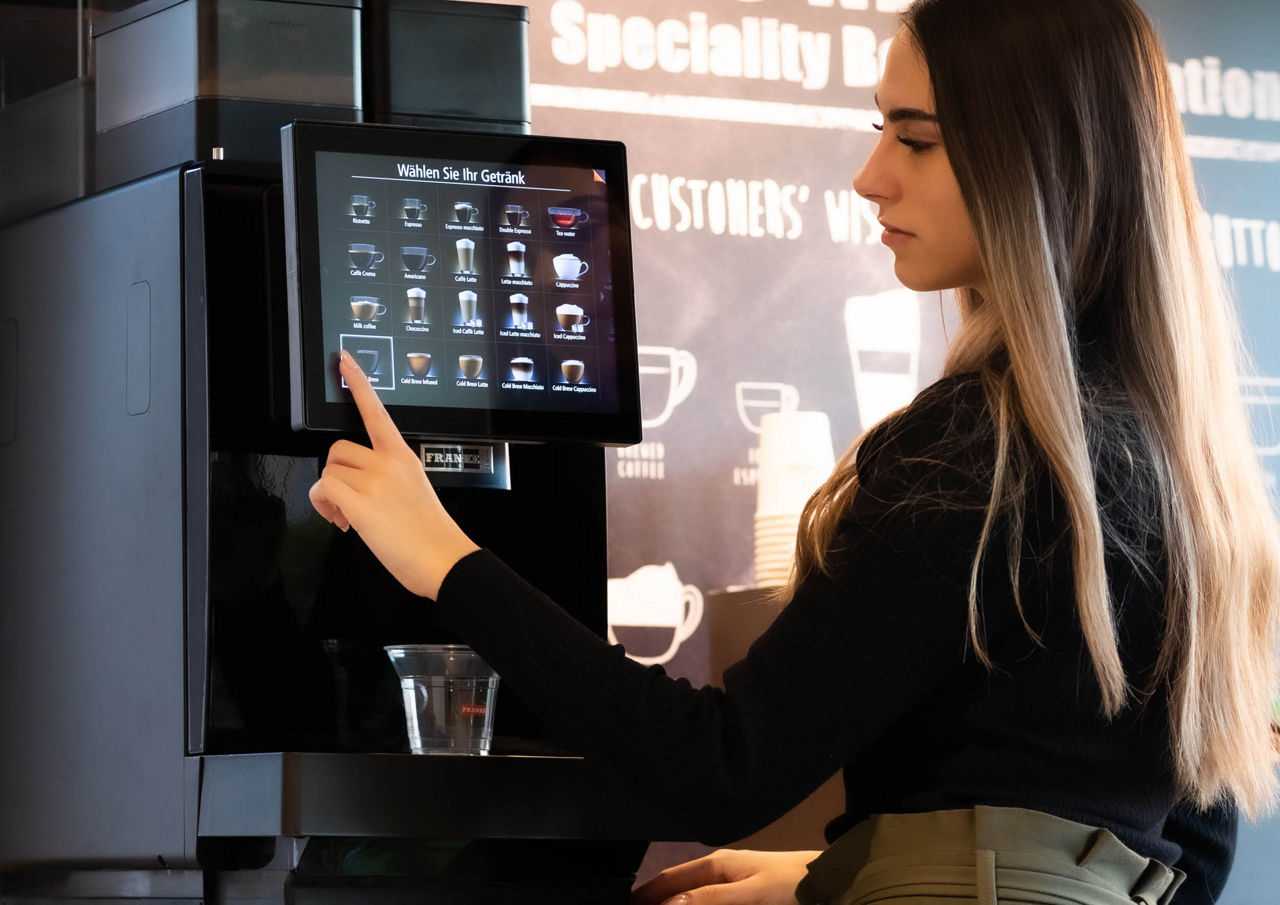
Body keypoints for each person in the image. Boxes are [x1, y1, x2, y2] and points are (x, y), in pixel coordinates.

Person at [308, 0, 1280, 902]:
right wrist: (847, 870)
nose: (871, 176)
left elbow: (718, 764)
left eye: (916, 139)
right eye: (879, 132)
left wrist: (443, 556)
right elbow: (1186, 856)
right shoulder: (1173, 463)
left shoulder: (974, 447)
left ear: (1040, 163)